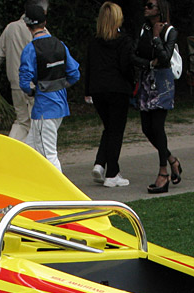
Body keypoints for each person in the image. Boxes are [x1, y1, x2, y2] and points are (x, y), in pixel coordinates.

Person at [18, 2, 80, 172]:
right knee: (29, 150)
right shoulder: (59, 44)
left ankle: (60, 197)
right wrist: (59, 85)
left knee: (49, 156)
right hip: (60, 106)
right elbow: (75, 73)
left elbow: (24, 82)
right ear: (45, 22)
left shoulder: (30, 49)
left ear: (27, 25)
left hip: (44, 109)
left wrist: (32, 91)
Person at [0, 1, 47, 141]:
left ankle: (12, 148)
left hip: (16, 85)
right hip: (35, 86)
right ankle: (35, 155)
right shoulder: (42, 33)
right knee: (38, 123)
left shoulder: (10, 28)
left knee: (21, 121)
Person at [132, 0, 183, 194]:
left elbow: (165, 57)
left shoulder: (169, 31)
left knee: (157, 126)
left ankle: (163, 172)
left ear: (159, 9)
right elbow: (134, 55)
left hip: (162, 83)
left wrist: (156, 38)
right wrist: (148, 64)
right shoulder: (143, 29)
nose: (145, 7)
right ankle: (172, 160)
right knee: (146, 128)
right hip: (147, 80)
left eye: (150, 5)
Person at [84, 2, 135, 187]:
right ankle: (112, 173)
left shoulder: (94, 42)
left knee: (109, 128)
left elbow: (89, 66)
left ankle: (100, 163)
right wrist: (132, 82)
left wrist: (87, 90)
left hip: (98, 90)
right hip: (117, 89)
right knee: (116, 131)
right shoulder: (124, 41)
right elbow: (125, 66)